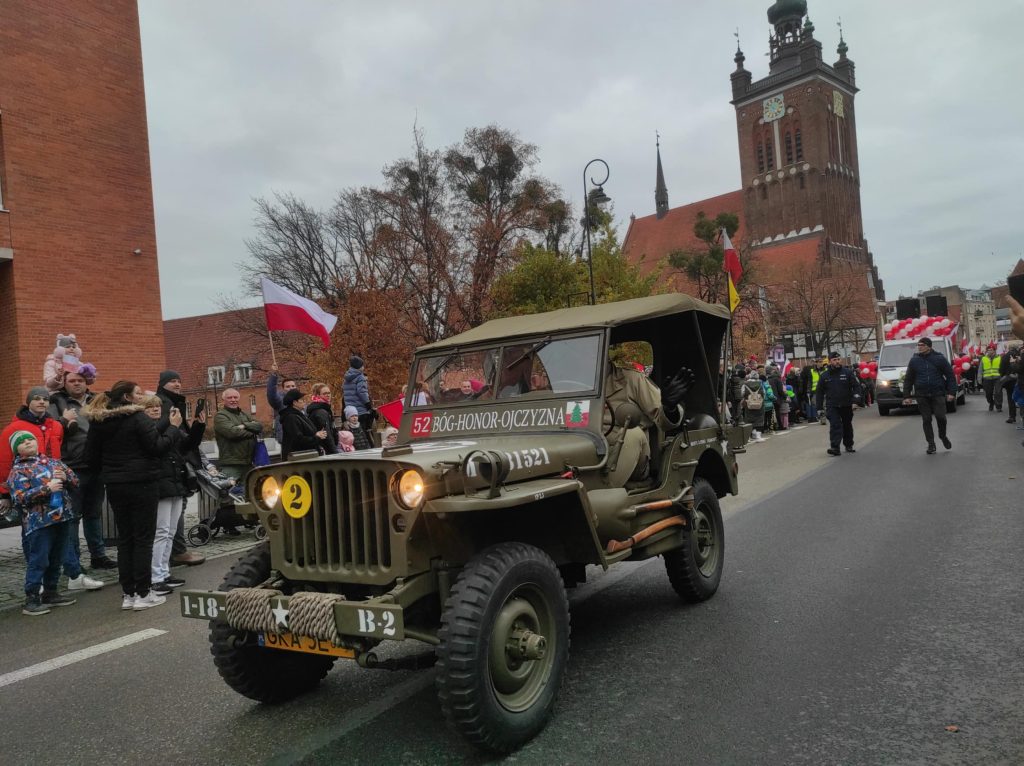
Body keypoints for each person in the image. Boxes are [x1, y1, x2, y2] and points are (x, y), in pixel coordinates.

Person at [84, 381, 180, 610]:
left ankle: (129, 594)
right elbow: (157, 447)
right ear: (127, 397)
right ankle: (144, 593)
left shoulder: (99, 421)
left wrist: (110, 472)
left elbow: (90, 458)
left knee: (125, 539)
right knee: (143, 539)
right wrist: (173, 428)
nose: (141, 396)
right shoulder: (138, 418)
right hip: (143, 483)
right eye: (137, 393)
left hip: (115, 485)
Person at [48, 371, 117, 574]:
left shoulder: (96, 400)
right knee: (72, 516)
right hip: (72, 466)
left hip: (96, 465)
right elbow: (52, 431)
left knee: (93, 514)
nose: (77, 384)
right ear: (64, 383)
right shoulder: (57, 403)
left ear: (86, 382)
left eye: (80, 380)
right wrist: (63, 420)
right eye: (72, 381)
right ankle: (73, 561)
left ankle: (98, 556)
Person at [7, 432, 79, 615]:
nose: (28, 443)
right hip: (39, 522)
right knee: (39, 559)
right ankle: (31, 597)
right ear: (16, 449)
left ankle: (51, 592)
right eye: (22, 442)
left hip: (62, 517)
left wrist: (66, 478)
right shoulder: (17, 471)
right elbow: (19, 498)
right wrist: (47, 489)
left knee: (57, 557)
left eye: (30, 439)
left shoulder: (54, 462)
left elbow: (75, 481)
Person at [602, 361, 692, 486]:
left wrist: (669, 408)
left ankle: (606, 490)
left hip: (629, 454)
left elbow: (661, 419)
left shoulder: (632, 379)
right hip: (589, 452)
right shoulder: (576, 385)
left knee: (633, 433)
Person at [902, 336, 956, 455]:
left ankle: (943, 436)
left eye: (922, 345)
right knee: (926, 419)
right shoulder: (914, 360)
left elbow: (950, 376)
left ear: (929, 347)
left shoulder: (939, 358)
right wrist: (907, 396)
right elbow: (908, 379)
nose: (919, 347)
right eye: (918, 345)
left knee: (941, 417)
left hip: (938, 393)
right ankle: (931, 444)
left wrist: (951, 392)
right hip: (921, 394)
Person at [815, 351, 862, 456]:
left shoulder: (847, 373)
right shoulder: (824, 376)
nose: (837, 361)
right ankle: (835, 447)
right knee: (835, 425)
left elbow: (856, 387)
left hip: (846, 404)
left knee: (847, 425)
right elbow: (819, 393)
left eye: (838, 359)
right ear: (830, 361)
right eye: (834, 360)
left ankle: (848, 445)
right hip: (832, 405)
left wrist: (856, 400)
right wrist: (819, 408)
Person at [214, 387, 263, 481]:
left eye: (235, 397)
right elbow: (233, 433)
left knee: (250, 489)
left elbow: (259, 426)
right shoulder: (220, 416)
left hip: (249, 462)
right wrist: (252, 432)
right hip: (231, 465)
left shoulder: (244, 414)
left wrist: (244, 425)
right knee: (230, 489)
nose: (233, 400)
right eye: (230, 398)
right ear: (223, 400)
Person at [280, 389, 328, 459]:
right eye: (302, 400)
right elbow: (298, 440)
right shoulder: (291, 418)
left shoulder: (299, 415)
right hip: (297, 459)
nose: (304, 402)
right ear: (294, 402)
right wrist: (316, 437)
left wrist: (317, 435)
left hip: (305, 456)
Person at [343, 355, 375, 439]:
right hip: (361, 410)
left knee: (355, 433)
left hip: (350, 411)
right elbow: (362, 392)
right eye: (362, 365)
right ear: (359, 366)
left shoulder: (346, 377)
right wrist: (368, 404)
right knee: (365, 432)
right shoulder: (360, 377)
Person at [266, 364, 297, 443]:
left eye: (293, 386)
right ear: (283, 389)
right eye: (288, 386)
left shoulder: (302, 402)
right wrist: (274, 375)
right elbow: (271, 394)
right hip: (286, 440)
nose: (291, 388)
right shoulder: (280, 402)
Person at [306, 383, 339, 454]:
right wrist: (334, 452)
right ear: (318, 395)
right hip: (325, 449)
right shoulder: (320, 411)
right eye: (324, 393)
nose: (328, 395)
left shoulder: (324, 407)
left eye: (329, 393)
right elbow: (327, 434)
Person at [741, 370, 767, 442]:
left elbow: (742, 394)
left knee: (748, 419)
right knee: (759, 419)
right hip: (759, 404)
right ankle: (757, 435)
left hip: (748, 404)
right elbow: (764, 393)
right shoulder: (760, 383)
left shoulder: (745, 384)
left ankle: (749, 436)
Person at [1000, 347, 1021, 424]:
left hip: (1009, 380)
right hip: (1020, 380)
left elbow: (1001, 369)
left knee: (1011, 398)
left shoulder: (1005, 357)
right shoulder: (1020, 356)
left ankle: (1012, 416)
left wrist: (1004, 375)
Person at [980, 346, 1002, 412]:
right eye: (988, 350)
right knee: (988, 393)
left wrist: (1003, 376)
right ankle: (991, 403)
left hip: (997, 378)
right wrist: (979, 379)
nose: (990, 351)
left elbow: (1002, 368)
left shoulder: (999, 358)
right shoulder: (983, 358)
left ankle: (998, 406)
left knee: (998, 392)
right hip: (987, 378)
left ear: (994, 351)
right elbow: (980, 369)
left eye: (991, 350)